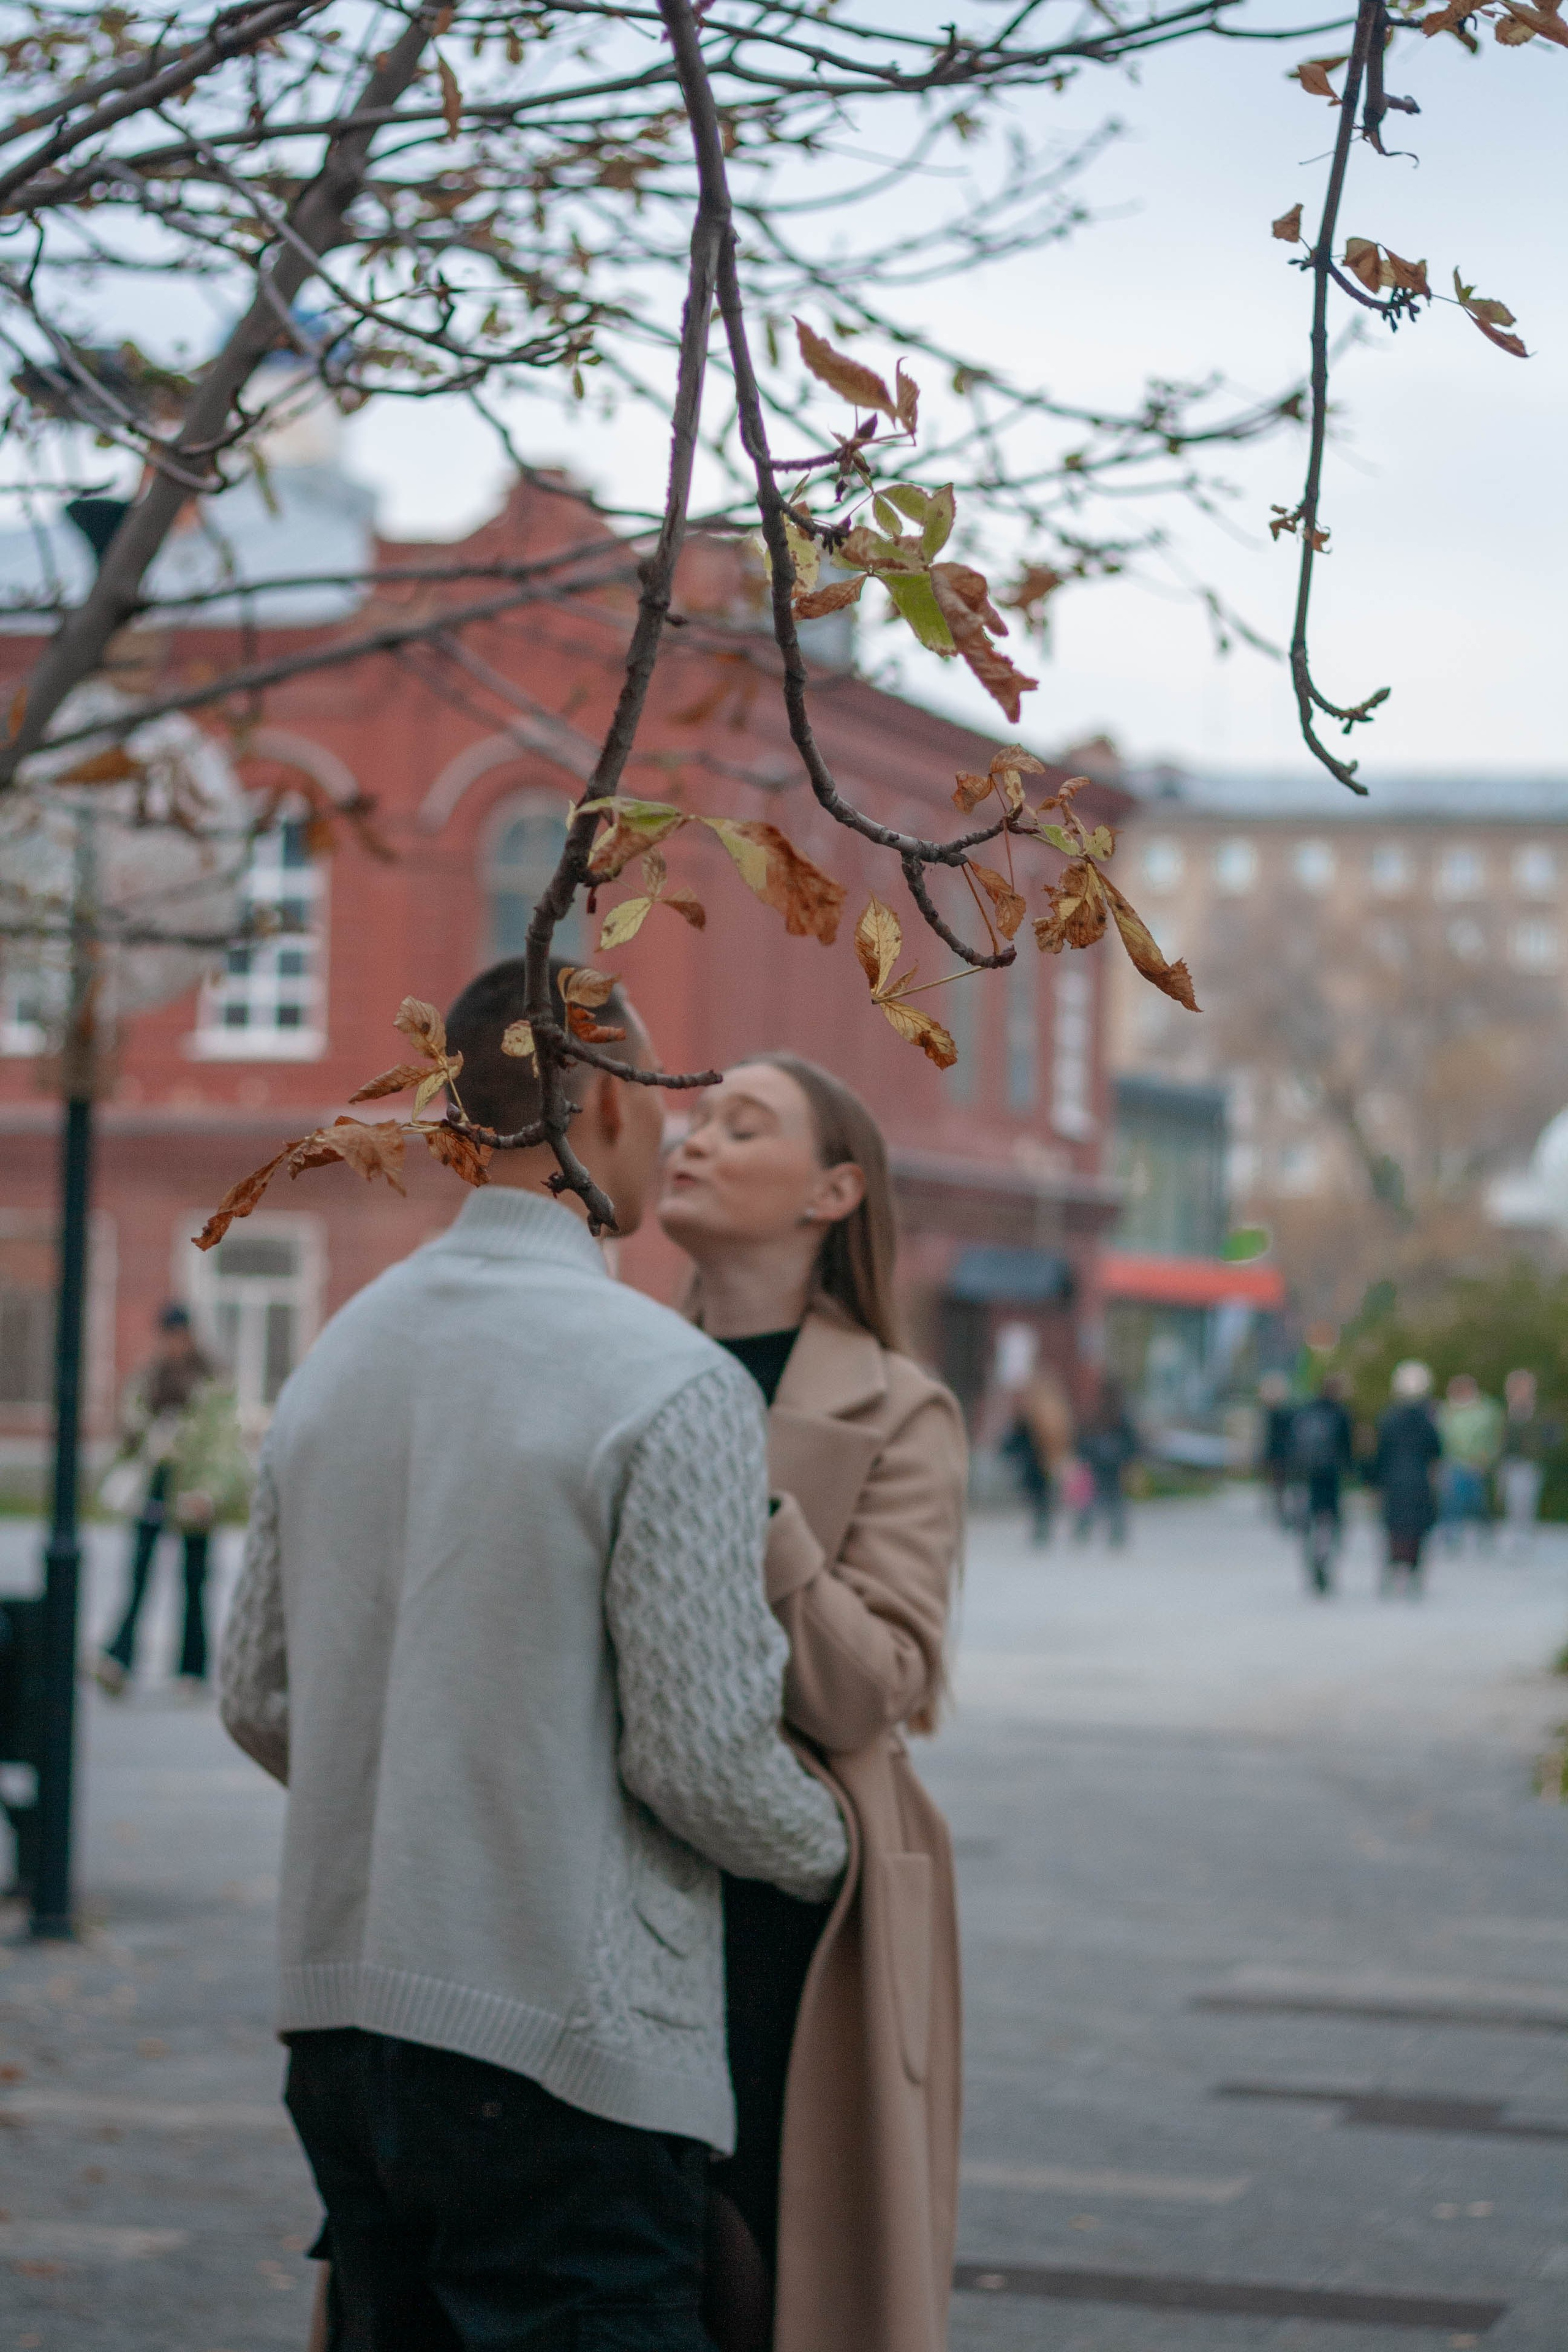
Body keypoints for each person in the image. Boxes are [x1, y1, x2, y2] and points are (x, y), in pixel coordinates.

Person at [218, 960, 848, 2352]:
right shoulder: (659, 1377)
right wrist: (838, 1847)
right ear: (611, 1099)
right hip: (565, 2044)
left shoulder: (338, 1352)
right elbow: (699, 1754)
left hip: (339, 2025)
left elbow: (258, 1693)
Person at [658, 1053, 967, 2352]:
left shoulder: (900, 1407)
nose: (695, 1137)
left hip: (806, 1908)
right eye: (694, 1114)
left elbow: (871, 1690)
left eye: (745, 1125)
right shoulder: (617, 1364)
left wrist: (753, 1501)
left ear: (833, 1190)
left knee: (766, 2273)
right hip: (610, 1874)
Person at [94, 1303, 249, 1695]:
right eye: (167, 1336)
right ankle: (120, 1659)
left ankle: (191, 1669)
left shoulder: (212, 1381)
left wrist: (209, 1494)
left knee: (193, 1582)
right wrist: (135, 1431)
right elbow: (130, 1429)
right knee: (139, 1576)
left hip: (194, 1492)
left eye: (178, 1335)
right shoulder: (150, 1378)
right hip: (155, 1488)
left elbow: (224, 1445)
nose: (173, 1344)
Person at [1371, 1359, 1442, 1596]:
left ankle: (1392, 1571)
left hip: (1394, 1481)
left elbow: (1379, 1454)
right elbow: (1436, 1452)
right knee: (1417, 1530)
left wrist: (1375, 1485)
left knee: (1394, 1529)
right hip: (1418, 1481)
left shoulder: (1388, 1418)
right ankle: (1413, 1573)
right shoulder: (1428, 1419)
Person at [1288, 1374, 1354, 1597]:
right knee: (1329, 1522)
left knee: (1308, 1524)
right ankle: (1324, 1557)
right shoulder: (1340, 1414)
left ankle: (1313, 1560)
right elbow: (1348, 1450)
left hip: (1305, 1476)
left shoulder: (1305, 1413)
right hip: (1330, 1476)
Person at [1001, 1371, 1074, 1544]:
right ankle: (1043, 1527)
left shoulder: (1034, 1412)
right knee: (1044, 1497)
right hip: (1046, 1463)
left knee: (1039, 1498)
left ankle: (1041, 1528)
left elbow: (1016, 1439)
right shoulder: (1053, 1411)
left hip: (1037, 1464)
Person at [1436, 1373, 1504, 1549]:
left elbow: (1496, 1436)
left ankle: (1485, 1536)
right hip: (1453, 1462)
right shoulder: (1448, 1410)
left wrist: (1488, 1458)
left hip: (1478, 1463)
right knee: (1452, 1502)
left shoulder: (1487, 1410)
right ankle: (1452, 1537)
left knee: (1479, 1503)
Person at [1498, 1369, 1557, 1552]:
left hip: (1530, 1463)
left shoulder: (1538, 1411)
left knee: (1526, 1502)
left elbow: (1550, 1435)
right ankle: (1513, 1539)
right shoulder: (1507, 1411)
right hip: (1510, 1463)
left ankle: (1525, 1539)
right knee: (1511, 1501)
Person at [1074, 1376, 1138, 1547]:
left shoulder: (1119, 1417)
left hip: (1111, 1467)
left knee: (1109, 1500)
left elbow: (1132, 1443)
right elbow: (1082, 1440)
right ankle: (1088, 1530)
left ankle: (1114, 1532)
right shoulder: (1096, 1415)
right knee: (1095, 1500)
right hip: (1099, 1466)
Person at [1256, 1371, 1300, 1528]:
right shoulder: (1288, 1412)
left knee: (1281, 1488)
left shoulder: (1277, 1414)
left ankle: (1285, 1513)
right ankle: (1286, 1513)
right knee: (1282, 1488)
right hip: (1286, 1455)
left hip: (1280, 1455)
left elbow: (1270, 1439)